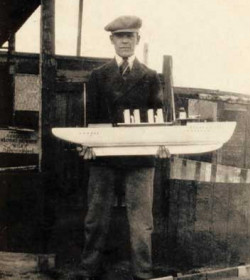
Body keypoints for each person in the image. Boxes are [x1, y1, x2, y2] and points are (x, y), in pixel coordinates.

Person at [77, 15, 163, 280]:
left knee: (141, 224)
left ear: (138, 40)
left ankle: (143, 274)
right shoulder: (97, 76)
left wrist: (162, 144)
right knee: (95, 220)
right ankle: (88, 270)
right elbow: (88, 117)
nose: (125, 41)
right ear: (112, 40)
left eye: (130, 36)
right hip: (103, 158)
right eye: (119, 36)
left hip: (140, 159)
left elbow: (158, 117)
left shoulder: (150, 77)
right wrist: (87, 143)